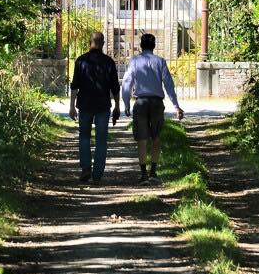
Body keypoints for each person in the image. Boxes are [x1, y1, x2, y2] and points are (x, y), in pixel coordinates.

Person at [119, 32, 185, 182]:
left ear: (141, 46)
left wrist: (126, 104)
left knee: (141, 139)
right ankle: (153, 172)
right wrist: (176, 106)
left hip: (141, 102)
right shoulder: (160, 61)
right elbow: (168, 84)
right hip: (156, 103)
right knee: (156, 138)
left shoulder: (135, 61)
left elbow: (127, 83)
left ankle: (143, 174)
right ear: (154, 46)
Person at [67, 31, 121, 183]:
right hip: (103, 106)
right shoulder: (109, 62)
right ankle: (97, 175)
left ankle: (85, 169)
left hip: (84, 105)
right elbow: (115, 87)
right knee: (101, 140)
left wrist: (71, 106)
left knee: (84, 137)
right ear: (103, 44)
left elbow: (74, 86)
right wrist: (117, 106)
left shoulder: (81, 61)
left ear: (89, 42)